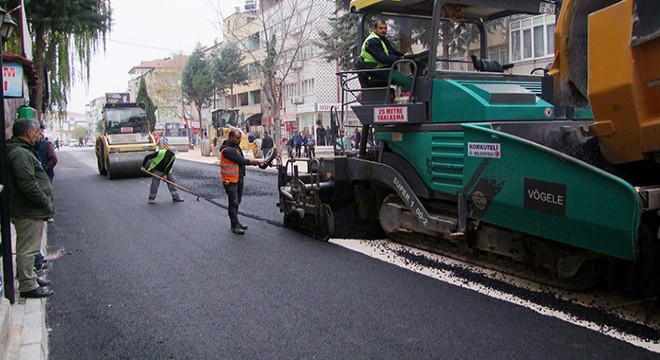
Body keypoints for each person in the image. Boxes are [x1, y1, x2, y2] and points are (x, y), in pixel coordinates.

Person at [6, 119, 54, 298]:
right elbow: (28, 184)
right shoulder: (20, 154)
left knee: (28, 247)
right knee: (28, 248)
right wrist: (44, 202)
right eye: (36, 132)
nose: (38, 135)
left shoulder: (21, 150)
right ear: (28, 133)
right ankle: (28, 285)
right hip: (28, 209)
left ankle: (29, 276)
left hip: (28, 209)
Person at [220, 129, 264, 234]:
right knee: (233, 202)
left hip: (238, 179)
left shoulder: (236, 147)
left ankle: (236, 223)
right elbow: (242, 160)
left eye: (240, 138)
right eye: (238, 138)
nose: (240, 140)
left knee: (237, 202)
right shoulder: (227, 150)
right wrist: (257, 162)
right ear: (231, 138)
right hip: (230, 181)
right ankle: (234, 226)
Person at [360, 19, 413, 92]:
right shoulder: (372, 41)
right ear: (375, 29)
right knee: (408, 82)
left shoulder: (382, 40)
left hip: (385, 70)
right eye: (381, 28)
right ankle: (409, 99)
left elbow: (393, 52)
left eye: (385, 28)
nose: (384, 30)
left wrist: (404, 56)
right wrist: (402, 58)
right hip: (378, 71)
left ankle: (406, 96)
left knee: (410, 79)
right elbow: (382, 58)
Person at [140, 139, 184, 204]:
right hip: (157, 170)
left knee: (172, 182)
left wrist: (165, 175)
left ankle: (175, 197)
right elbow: (147, 157)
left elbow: (169, 166)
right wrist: (143, 166)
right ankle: (151, 197)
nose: (173, 155)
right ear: (168, 152)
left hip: (167, 171)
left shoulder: (173, 157)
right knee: (155, 183)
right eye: (172, 153)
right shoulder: (160, 153)